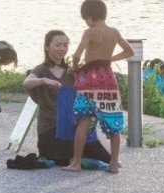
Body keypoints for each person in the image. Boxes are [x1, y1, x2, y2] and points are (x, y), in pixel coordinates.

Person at [23, 29, 113, 169]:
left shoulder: (70, 71)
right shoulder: (40, 70)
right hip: (50, 127)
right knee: (66, 154)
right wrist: (45, 81)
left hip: (71, 124)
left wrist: (79, 73)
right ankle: (80, 159)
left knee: (101, 151)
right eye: (58, 45)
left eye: (65, 45)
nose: (62, 49)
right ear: (47, 46)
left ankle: (86, 158)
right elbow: (26, 83)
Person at [66, 0, 130, 173]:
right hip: (107, 80)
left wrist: (75, 67)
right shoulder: (114, 32)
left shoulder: (90, 32)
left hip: (89, 79)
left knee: (84, 119)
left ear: (88, 16)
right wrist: (110, 59)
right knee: (112, 121)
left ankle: (76, 162)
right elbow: (129, 51)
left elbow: (77, 54)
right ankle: (114, 163)